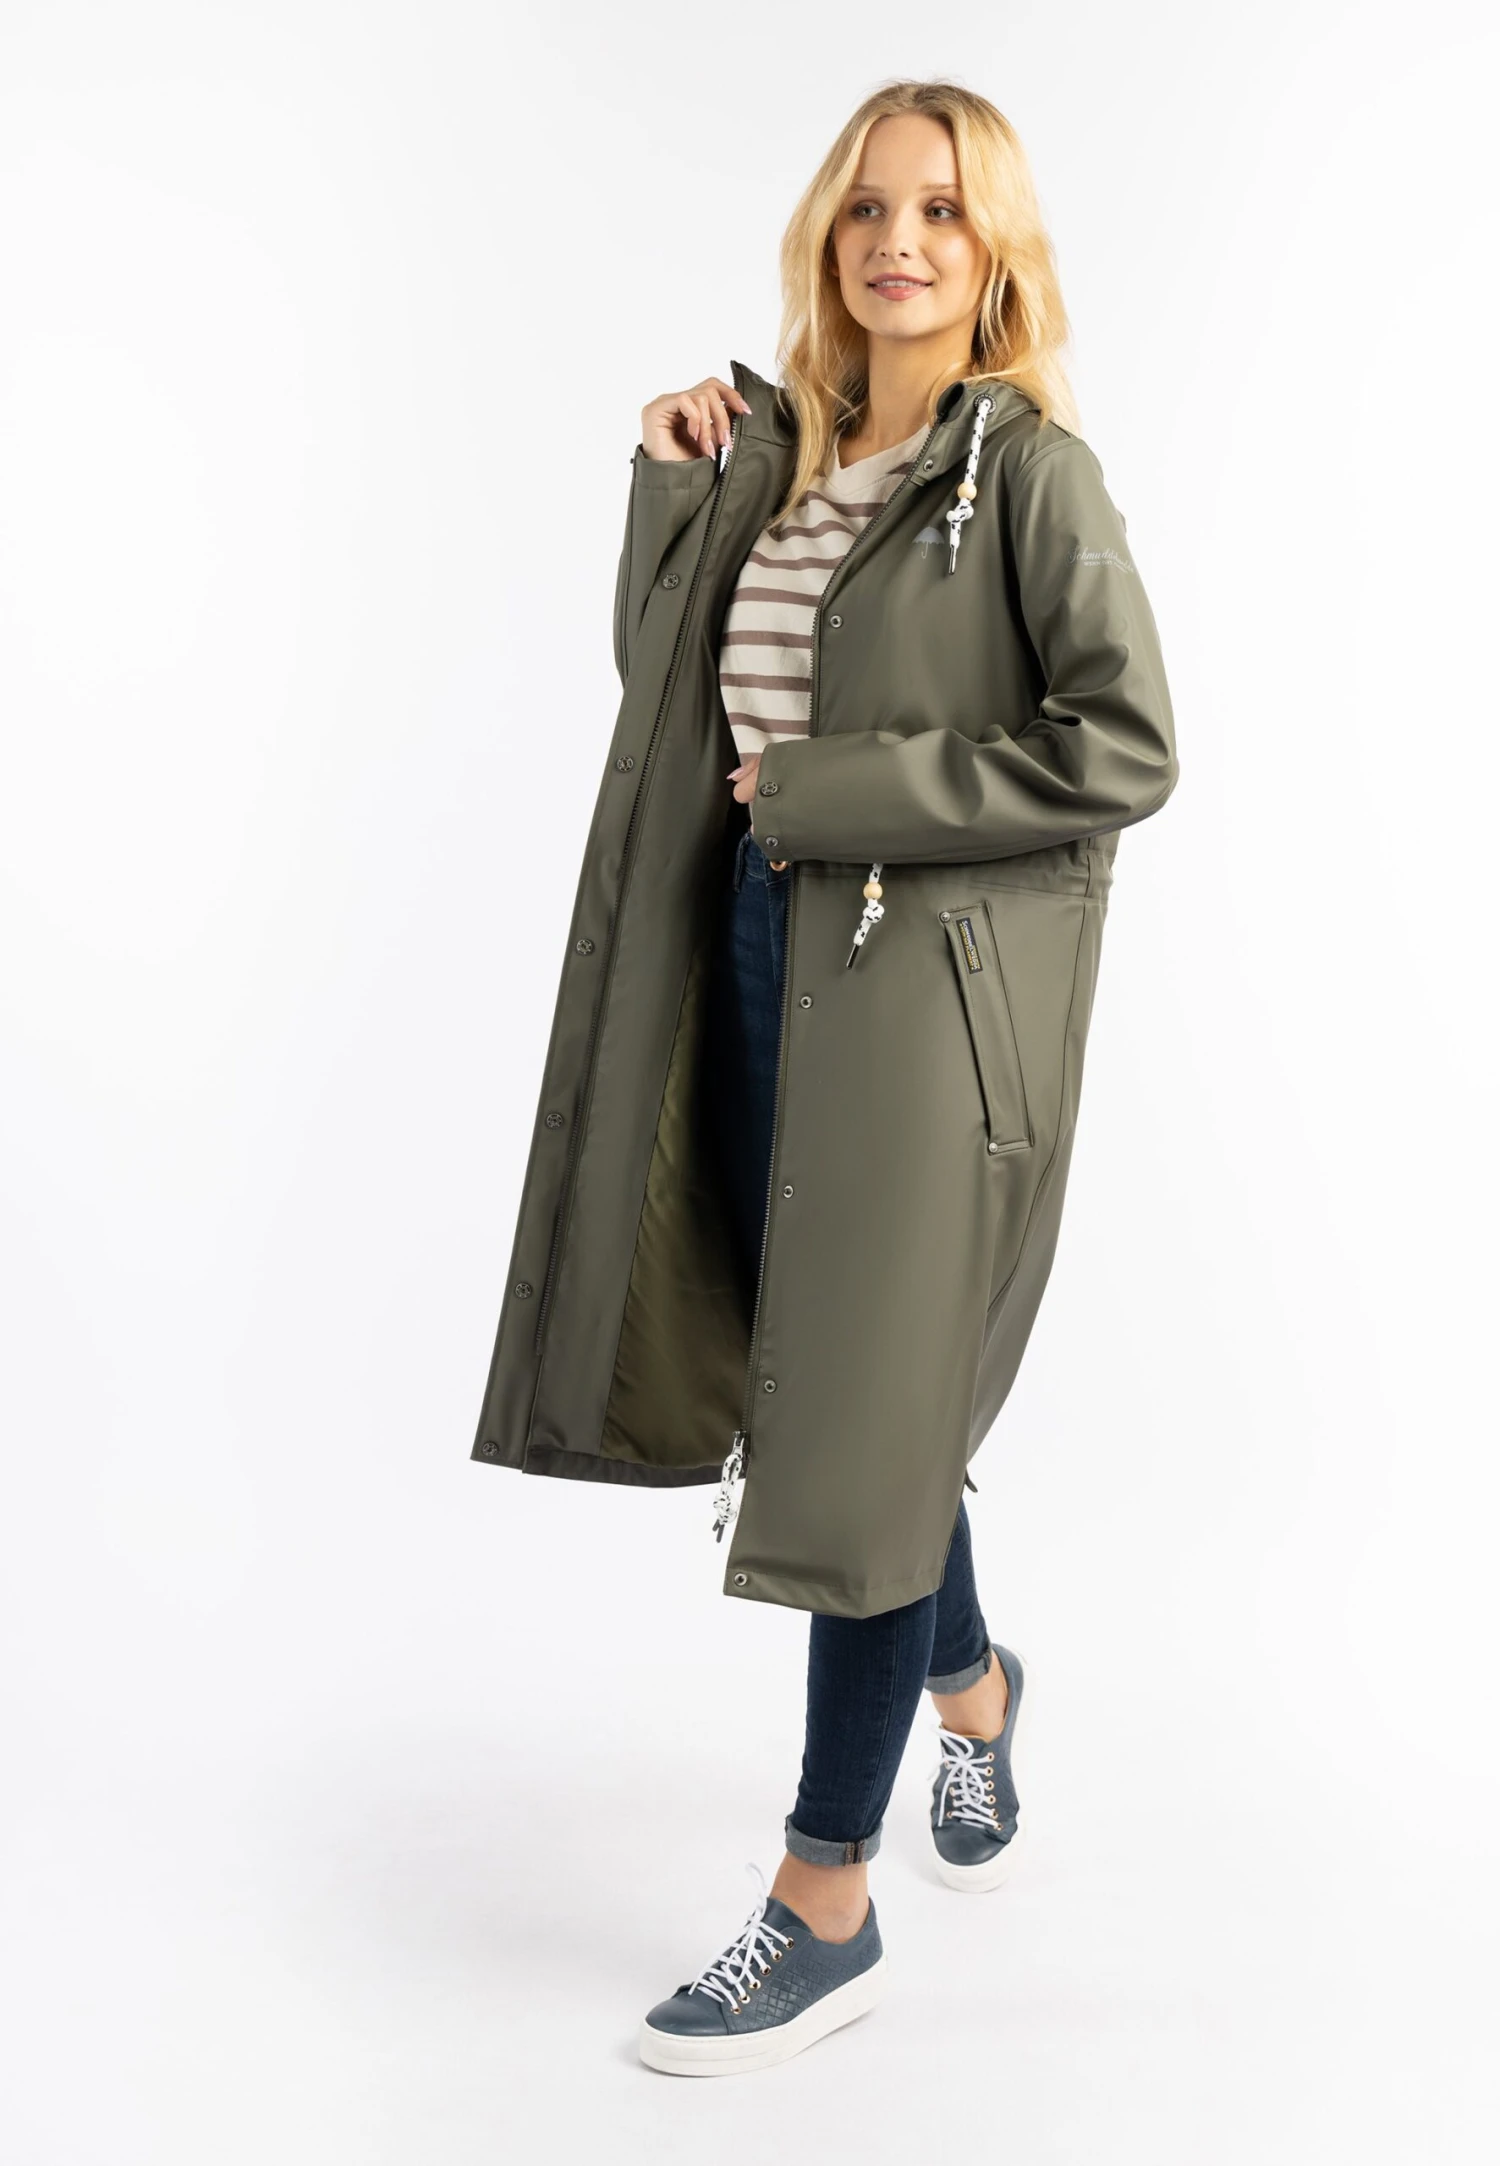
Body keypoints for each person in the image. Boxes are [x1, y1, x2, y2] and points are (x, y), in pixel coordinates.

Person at [469, 78, 1178, 2077]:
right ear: (825, 236)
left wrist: (842, 791)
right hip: (760, 961)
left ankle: (826, 1901)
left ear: (995, 249)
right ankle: (974, 1687)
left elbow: (1125, 746)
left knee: (860, 1418)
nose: (899, 242)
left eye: (942, 212)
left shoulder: (1028, 475)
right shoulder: (789, 452)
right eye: (868, 207)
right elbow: (666, 690)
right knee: (846, 1395)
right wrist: (669, 486)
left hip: (921, 1010)